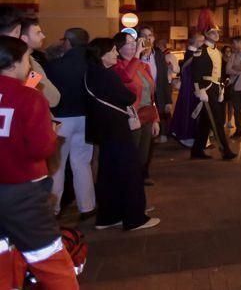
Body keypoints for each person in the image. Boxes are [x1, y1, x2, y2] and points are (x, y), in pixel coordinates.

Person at [0, 35, 80, 287]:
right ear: (13, 64)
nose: (30, 66)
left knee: (3, 255)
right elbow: (40, 147)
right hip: (22, 190)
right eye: (26, 61)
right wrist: (51, 134)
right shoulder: (27, 97)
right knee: (50, 259)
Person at [84, 38, 158, 231]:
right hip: (116, 128)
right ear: (102, 55)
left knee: (109, 173)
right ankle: (134, 218)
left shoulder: (92, 72)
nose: (115, 54)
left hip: (105, 129)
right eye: (112, 51)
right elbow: (128, 96)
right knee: (130, 171)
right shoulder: (108, 75)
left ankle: (108, 216)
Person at [43, 28, 96, 220]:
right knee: (82, 163)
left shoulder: (55, 66)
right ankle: (87, 207)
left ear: (68, 42)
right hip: (86, 118)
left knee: (57, 165)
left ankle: (54, 208)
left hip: (61, 119)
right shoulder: (92, 64)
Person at [112, 32, 160, 179]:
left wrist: (156, 119)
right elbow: (126, 77)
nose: (135, 45)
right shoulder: (116, 66)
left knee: (143, 156)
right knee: (130, 155)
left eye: (135, 42)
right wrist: (138, 53)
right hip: (131, 116)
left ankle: (136, 186)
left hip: (147, 114)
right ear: (119, 48)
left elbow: (151, 95)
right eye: (130, 43)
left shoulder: (144, 66)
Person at [190, 23, 235, 160]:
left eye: (217, 32)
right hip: (207, 89)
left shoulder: (217, 51)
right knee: (217, 120)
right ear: (206, 35)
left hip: (216, 88)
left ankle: (197, 150)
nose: (216, 34)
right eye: (212, 32)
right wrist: (200, 90)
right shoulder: (201, 51)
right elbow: (196, 72)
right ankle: (225, 151)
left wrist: (222, 85)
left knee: (206, 121)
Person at [17, 16, 61, 109]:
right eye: (38, 33)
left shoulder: (25, 61)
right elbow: (52, 98)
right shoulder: (29, 64)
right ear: (24, 38)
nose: (43, 36)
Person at [169, 31, 203, 147]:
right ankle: (186, 136)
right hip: (191, 89)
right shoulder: (192, 55)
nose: (203, 43)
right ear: (196, 41)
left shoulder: (192, 53)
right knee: (189, 111)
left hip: (191, 88)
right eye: (201, 40)